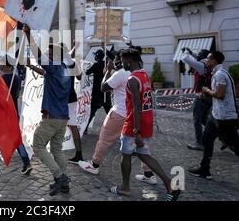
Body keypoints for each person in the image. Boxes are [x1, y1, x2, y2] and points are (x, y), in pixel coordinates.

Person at [111, 49, 181, 201]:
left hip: (133, 125)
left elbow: (137, 106)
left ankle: (125, 187)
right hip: (146, 122)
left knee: (126, 155)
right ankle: (170, 184)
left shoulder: (132, 80)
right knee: (144, 155)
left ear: (129, 60)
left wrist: (136, 131)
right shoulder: (144, 76)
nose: (121, 63)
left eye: (122, 60)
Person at [23, 24, 71, 196]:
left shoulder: (55, 67)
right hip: (63, 117)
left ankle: (59, 177)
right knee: (57, 150)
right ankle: (64, 182)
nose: (47, 56)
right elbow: (45, 73)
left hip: (51, 117)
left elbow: (38, 55)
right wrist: (31, 67)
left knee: (38, 145)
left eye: (50, 54)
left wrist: (28, 34)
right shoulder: (64, 70)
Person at [188, 51, 239, 179]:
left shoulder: (220, 75)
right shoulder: (217, 73)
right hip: (216, 115)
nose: (206, 61)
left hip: (225, 117)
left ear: (214, 61)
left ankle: (204, 169)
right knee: (206, 139)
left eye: (209, 59)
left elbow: (220, 94)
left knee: (234, 146)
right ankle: (204, 169)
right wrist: (208, 92)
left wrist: (206, 90)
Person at [78, 51, 131, 174]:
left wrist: (108, 70)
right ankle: (147, 172)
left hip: (104, 99)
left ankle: (94, 164)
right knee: (132, 140)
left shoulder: (118, 73)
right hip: (124, 109)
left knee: (104, 137)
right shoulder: (133, 74)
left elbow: (103, 86)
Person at [0, 56, 33, 175]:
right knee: (16, 139)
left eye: (1, 63)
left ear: (5, 65)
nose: (0, 65)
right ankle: (26, 162)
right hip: (14, 112)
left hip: (3, 113)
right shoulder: (17, 78)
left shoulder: (1, 78)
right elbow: (17, 94)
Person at [181, 48, 212, 151]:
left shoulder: (201, 65)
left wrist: (186, 52)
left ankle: (199, 143)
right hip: (209, 96)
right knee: (205, 120)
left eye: (199, 54)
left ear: (202, 57)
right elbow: (198, 58)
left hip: (201, 96)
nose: (197, 55)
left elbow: (185, 58)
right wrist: (191, 53)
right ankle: (224, 137)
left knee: (197, 120)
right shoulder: (208, 65)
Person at [85, 49, 112, 134]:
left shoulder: (96, 65)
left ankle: (85, 129)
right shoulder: (106, 65)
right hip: (106, 93)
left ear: (97, 57)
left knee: (92, 112)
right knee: (109, 113)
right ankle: (114, 129)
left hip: (97, 94)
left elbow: (87, 72)